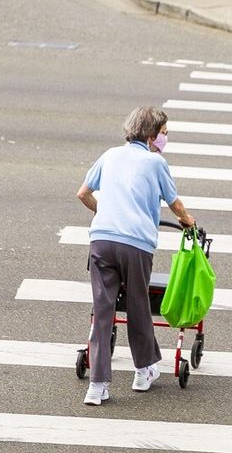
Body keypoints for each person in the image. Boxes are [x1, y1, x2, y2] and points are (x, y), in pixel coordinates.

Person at [76, 105, 197, 403]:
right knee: (138, 305)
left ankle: (97, 386)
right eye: (164, 134)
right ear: (152, 134)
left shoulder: (110, 155)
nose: (165, 139)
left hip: (102, 241)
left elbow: (83, 193)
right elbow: (174, 203)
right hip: (136, 246)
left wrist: (105, 212)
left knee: (103, 313)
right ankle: (143, 371)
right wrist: (188, 220)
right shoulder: (156, 163)